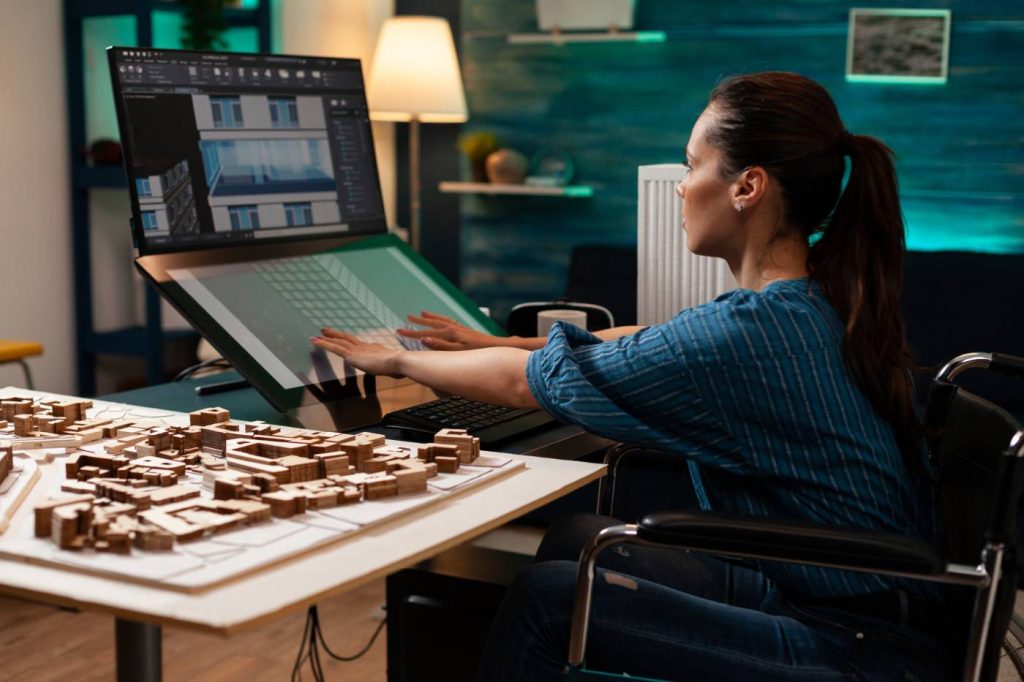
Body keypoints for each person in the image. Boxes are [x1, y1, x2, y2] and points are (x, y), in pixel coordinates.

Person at [311, 72, 948, 681]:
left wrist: (395, 359)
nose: (681, 184)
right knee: (580, 537)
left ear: (747, 187)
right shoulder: (805, 301)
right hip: (847, 593)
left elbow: (527, 382)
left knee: (551, 600)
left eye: (693, 164)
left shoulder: (751, 332)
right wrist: (501, 339)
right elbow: (646, 341)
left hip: (858, 644)